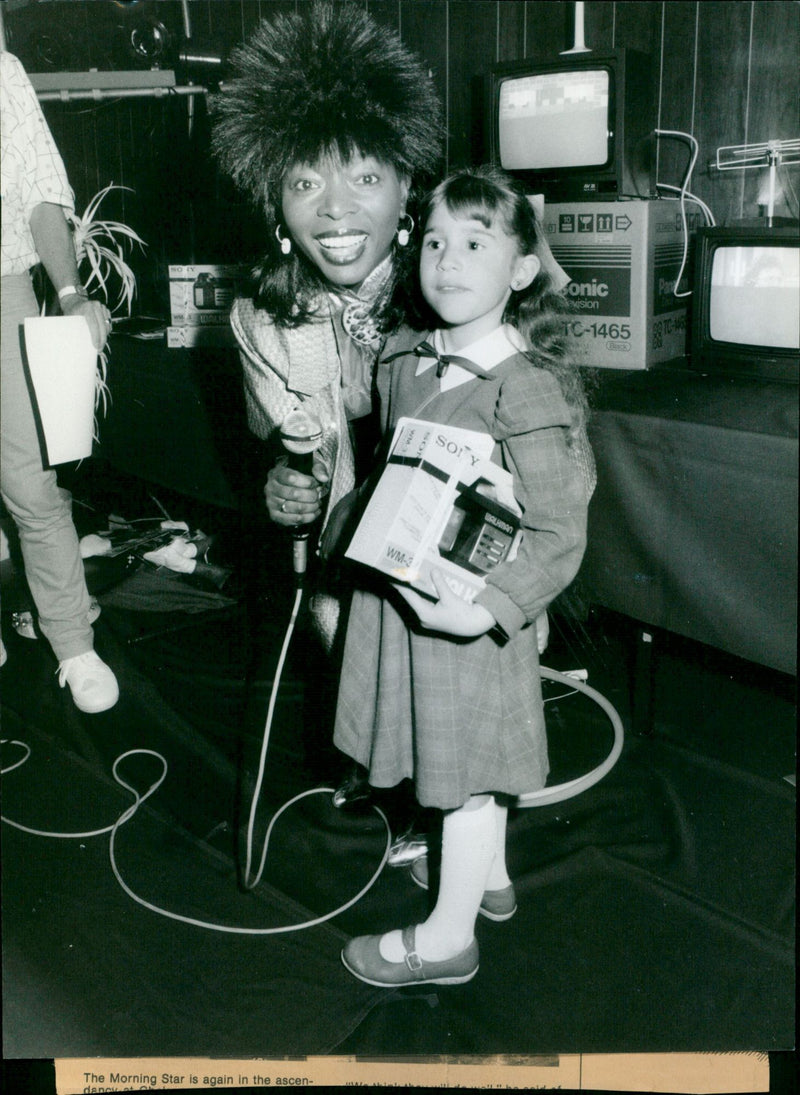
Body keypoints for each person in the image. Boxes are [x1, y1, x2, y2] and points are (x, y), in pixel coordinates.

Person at [333, 166, 593, 987]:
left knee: (470, 779)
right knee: (460, 758)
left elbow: (560, 531)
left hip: (469, 617)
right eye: (435, 241)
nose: (447, 261)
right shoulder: (406, 357)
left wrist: (490, 609)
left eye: (476, 244)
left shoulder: (528, 387)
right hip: (405, 602)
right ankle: (489, 875)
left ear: (522, 270)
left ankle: (448, 940)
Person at [210, 2, 443, 819]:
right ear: (276, 202)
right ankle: (379, 755)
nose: (335, 211)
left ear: (407, 187)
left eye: (365, 178)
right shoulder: (259, 318)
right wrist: (284, 480)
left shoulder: (456, 290)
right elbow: (282, 441)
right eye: (306, 182)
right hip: (346, 554)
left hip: (458, 548)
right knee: (333, 615)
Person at [0, 49, 118, 712]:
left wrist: (71, 293)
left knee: (31, 484)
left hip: (2, 288)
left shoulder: (2, 72)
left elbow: (42, 190)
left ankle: (73, 643)